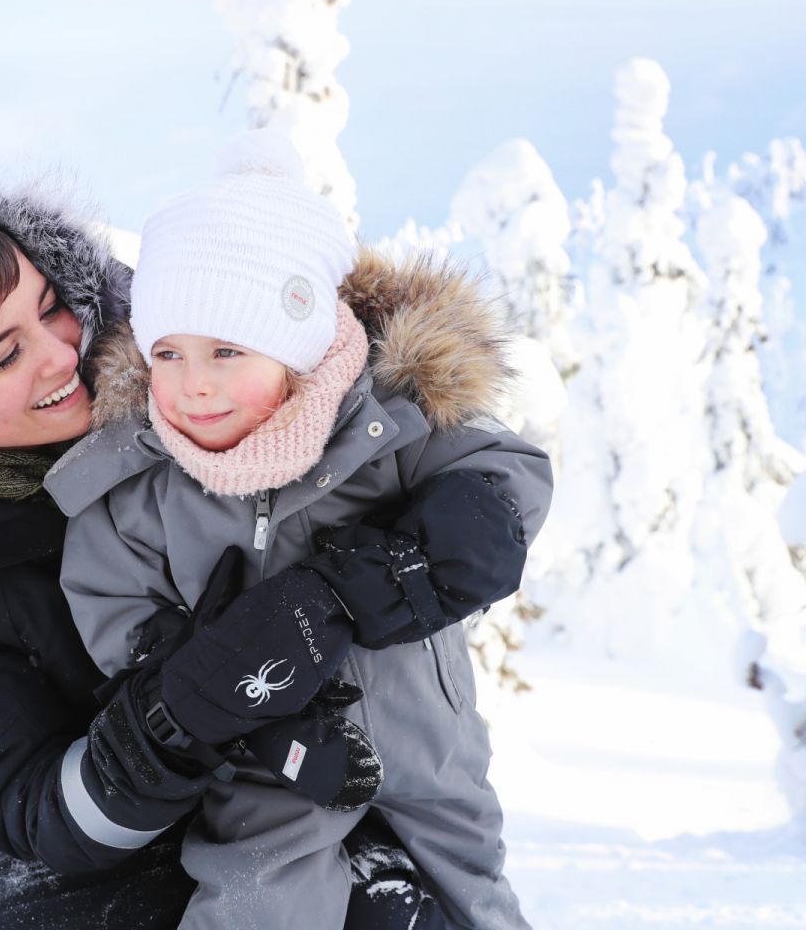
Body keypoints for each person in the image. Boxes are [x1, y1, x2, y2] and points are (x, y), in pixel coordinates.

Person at [0, 155, 474, 928]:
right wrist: (182, 713)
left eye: (50, 308)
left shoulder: (177, 371)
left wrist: (434, 534)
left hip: (331, 785)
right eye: (4, 354)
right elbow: (33, 809)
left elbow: (352, 387)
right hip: (127, 851)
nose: (58, 354)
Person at [47, 131, 552, 930]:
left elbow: (509, 474)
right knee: (256, 893)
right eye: (169, 353)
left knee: (476, 893)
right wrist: (240, 705)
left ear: (296, 350)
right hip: (275, 763)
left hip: (430, 741)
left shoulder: (384, 421)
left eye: (226, 350)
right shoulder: (142, 482)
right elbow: (116, 611)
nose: (193, 384)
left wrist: (436, 545)